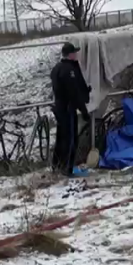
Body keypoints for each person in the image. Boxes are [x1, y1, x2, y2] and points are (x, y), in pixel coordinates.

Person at [50, 41, 90, 175]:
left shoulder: (57, 68)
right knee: (70, 139)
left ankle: (56, 166)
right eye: (75, 53)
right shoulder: (69, 70)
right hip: (68, 109)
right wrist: (84, 111)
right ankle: (67, 169)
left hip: (59, 108)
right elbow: (74, 93)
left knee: (61, 138)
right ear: (71, 54)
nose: (76, 55)